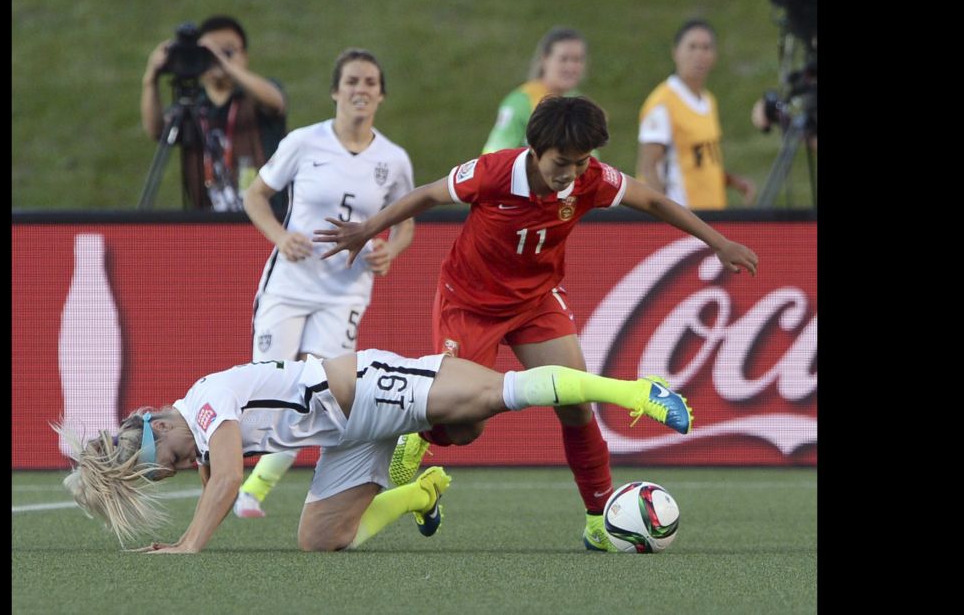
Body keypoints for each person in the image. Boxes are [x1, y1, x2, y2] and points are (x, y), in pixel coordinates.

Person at [314, 95, 757, 552]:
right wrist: (369, 228)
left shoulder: (589, 179)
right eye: (562, 162)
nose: (572, 172)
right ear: (535, 149)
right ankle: (420, 432)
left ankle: (597, 520)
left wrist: (717, 241)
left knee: (577, 405)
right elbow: (427, 194)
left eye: (582, 161)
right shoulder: (494, 173)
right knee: (466, 427)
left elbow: (652, 199)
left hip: (536, 301)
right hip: (469, 304)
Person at [54, 348, 693, 552]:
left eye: (154, 463)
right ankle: (419, 491)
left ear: (155, 428)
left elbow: (225, 481)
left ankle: (636, 390)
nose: (166, 469)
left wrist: (190, 547)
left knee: (500, 396)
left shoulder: (202, 405)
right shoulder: (193, 426)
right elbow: (212, 475)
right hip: (346, 433)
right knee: (322, 540)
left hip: (369, 387)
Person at [233, 49, 416, 518]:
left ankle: (255, 488)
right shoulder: (304, 142)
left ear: (381, 95)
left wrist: (388, 252)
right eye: (352, 81)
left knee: (319, 388)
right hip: (290, 284)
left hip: (345, 292)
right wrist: (280, 236)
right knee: (269, 382)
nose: (361, 89)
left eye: (371, 82)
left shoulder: (393, 160)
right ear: (336, 91)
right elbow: (255, 195)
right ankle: (227, 471)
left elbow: (406, 223)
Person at [141, 15, 287, 211]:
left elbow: (275, 101)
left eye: (228, 51)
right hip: (209, 223)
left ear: (245, 56)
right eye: (210, 52)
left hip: (266, 219)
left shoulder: (254, 96)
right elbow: (156, 130)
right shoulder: (191, 103)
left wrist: (226, 66)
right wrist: (150, 79)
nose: (218, 58)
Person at [636, 19, 755, 209]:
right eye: (692, 47)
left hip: (710, 215)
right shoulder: (662, 103)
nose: (699, 54)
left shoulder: (708, 100)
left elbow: (699, 158)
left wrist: (732, 181)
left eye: (706, 48)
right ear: (676, 52)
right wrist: (664, 216)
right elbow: (649, 167)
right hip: (684, 218)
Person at [482, 27, 587, 154]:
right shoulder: (520, 103)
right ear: (545, 59)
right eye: (564, 59)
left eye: (577, 60)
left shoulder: (579, 102)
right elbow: (493, 155)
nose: (571, 67)